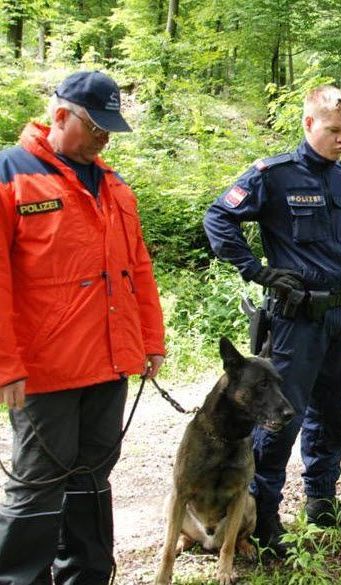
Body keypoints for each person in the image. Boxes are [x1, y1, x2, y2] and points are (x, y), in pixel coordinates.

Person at [0, 71, 166, 585]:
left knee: (93, 480)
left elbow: (137, 267)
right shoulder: (11, 174)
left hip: (110, 363)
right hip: (44, 372)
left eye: (111, 128)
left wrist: (151, 340)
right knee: (37, 485)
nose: (105, 137)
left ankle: (90, 576)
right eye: (96, 127)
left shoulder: (114, 185)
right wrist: (6, 367)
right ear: (61, 116)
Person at [203, 85, 341, 555]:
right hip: (295, 322)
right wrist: (256, 269)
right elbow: (219, 217)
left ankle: (322, 499)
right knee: (280, 419)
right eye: (333, 131)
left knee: (336, 413)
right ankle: (262, 518)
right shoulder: (273, 175)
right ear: (308, 124)